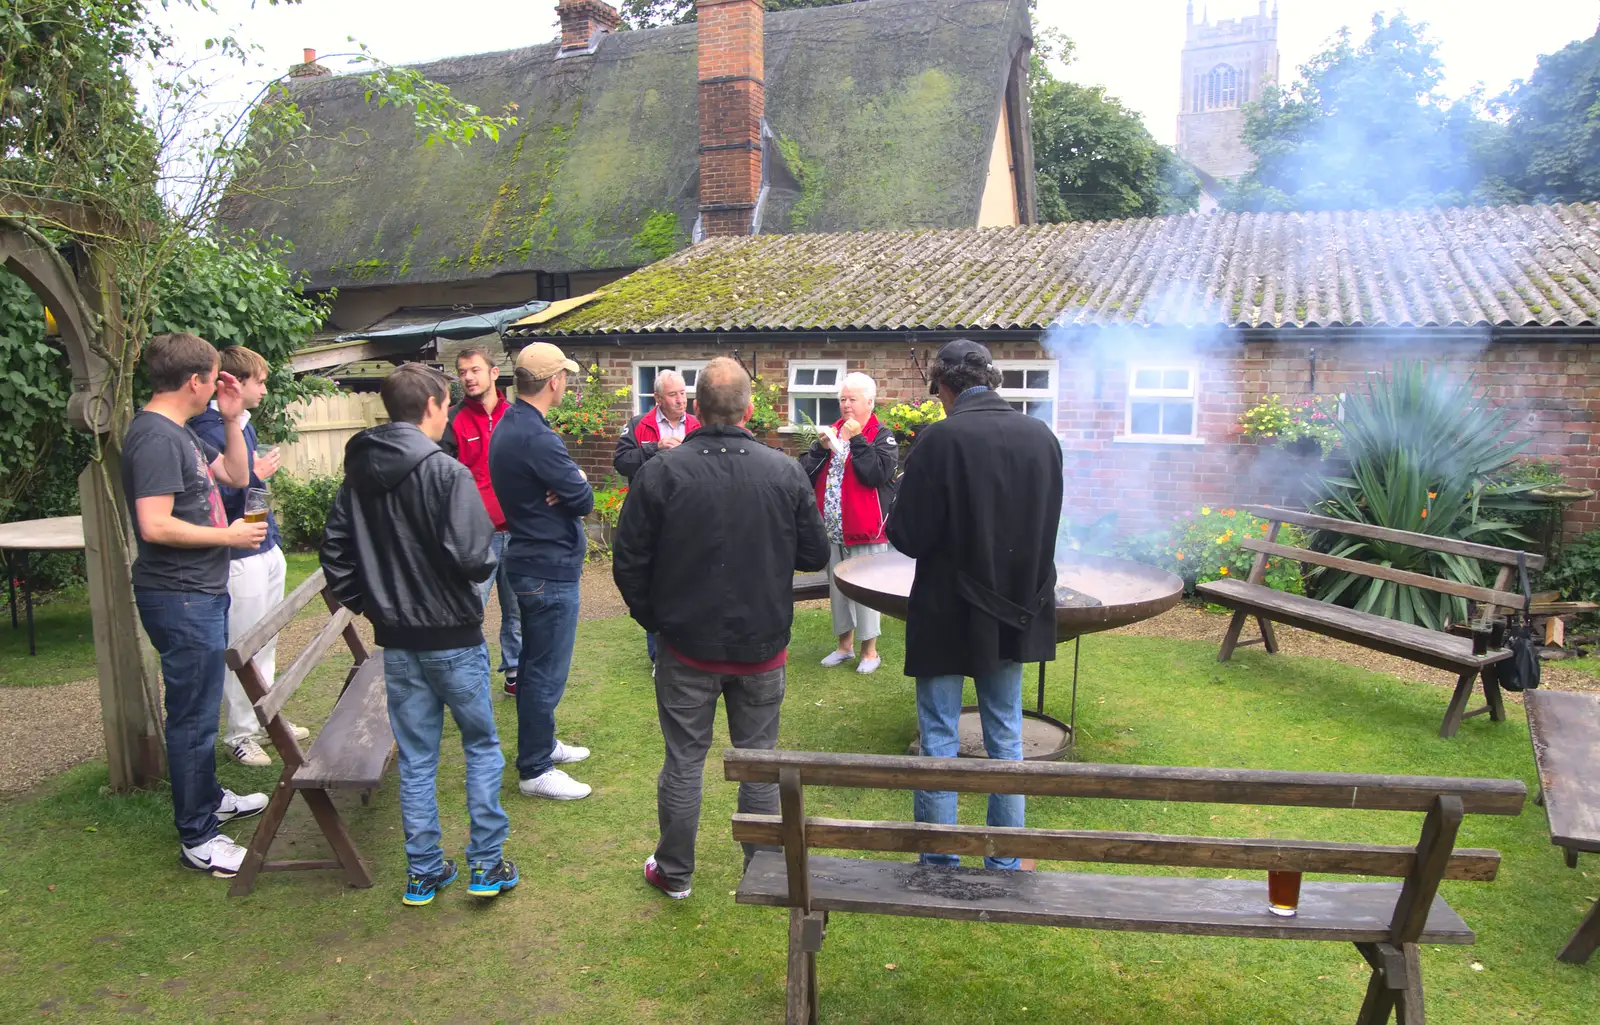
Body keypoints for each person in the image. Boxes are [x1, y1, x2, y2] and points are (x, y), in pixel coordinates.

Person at [613, 357, 829, 900]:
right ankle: (753, 869)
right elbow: (814, 553)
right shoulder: (781, 471)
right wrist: (655, 621)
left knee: (688, 760)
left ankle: (679, 873)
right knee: (756, 761)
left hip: (697, 646)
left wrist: (658, 622)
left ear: (697, 407)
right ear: (749, 410)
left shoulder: (663, 472)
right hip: (739, 646)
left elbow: (629, 560)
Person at [320, 362, 518, 905]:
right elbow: (476, 558)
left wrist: (376, 605)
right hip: (453, 636)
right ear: (431, 407)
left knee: (418, 757)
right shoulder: (446, 472)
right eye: (445, 404)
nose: (448, 414)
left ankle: (424, 871)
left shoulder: (357, 474)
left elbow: (335, 556)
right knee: (479, 747)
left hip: (400, 642)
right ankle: (485, 865)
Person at [884, 339, 1063, 872]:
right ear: (991, 379)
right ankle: (1005, 860)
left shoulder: (941, 440)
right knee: (1005, 732)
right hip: (1014, 610)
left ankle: (939, 858)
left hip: (946, 611)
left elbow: (909, 535)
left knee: (939, 735)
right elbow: (1047, 527)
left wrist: (901, 494)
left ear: (944, 385)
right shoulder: (1042, 438)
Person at [122, 332, 269, 879]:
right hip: (179, 596)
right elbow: (154, 524)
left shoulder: (179, 432)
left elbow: (236, 475)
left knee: (201, 708)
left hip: (197, 592)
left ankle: (210, 797)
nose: (220, 384)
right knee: (192, 718)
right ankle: (199, 837)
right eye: (215, 378)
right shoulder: (156, 438)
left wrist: (232, 419)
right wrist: (227, 538)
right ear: (195, 381)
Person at [188, 345, 309, 767]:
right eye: (260, 380)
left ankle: (266, 716)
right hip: (238, 554)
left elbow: (247, 482)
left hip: (264, 541)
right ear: (235, 384)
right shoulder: (206, 429)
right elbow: (213, 493)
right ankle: (240, 733)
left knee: (267, 641)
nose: (265, 388)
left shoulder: (243, 424)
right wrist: (255, 473)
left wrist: (255, 475)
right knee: (244, 645)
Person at [489, 342, 596, 801]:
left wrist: (568, 484)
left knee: (533, 664)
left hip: (532, 561)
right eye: (565, 376)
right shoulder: (537, 437)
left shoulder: (512, 424)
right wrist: (573, 484)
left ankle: (542, 745)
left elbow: (570, 489)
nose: (566, 383)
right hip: (546, 569)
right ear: (554, 381)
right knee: (546, 672)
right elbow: (584, 499)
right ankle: (534, 768)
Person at [798, 371, 898, 674]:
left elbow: (875, 474)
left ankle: (870, 652)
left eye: (852, 399)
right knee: (839, 589)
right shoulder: (831, 431)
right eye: (842, 399)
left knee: (867, 589)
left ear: (869, 401)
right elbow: (804, 472)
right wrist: (818, 448)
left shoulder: (882, 435)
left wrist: (857, 439)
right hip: (832, 526)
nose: (845, 405)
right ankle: (844, 646)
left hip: (866, 528)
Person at [439, 347, 522, 697]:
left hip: (517, 532)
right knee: (468, 609)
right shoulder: (452, 420)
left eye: (475, 370)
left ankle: (516, 673)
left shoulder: (516, 416)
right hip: (475, 537)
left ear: (493, 373)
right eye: (462, 372)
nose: (469, 377)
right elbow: (441, 477)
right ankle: (465, 678)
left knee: (518, 611)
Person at [613, 369, 701, 664]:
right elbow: (622, 462)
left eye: (683, 394)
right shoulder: (640, 424)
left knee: (689, 578)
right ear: (658, 398)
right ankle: (658, 656)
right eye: (673, 395)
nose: (681, 400)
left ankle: (689, 645)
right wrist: (654, 448)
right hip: (651, 517)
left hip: (690, 516)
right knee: (655, 581)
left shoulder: (697, 425)